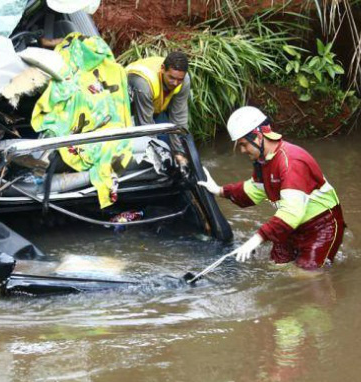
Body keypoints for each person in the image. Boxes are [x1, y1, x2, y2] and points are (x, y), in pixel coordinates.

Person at [198, 106, 345, 270]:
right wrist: (219, 190)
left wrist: (256, 239)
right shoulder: (264, 161)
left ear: (259, 136)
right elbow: (254, 190)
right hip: (293, 225)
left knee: (307, 275)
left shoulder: (291, 162)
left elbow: (291, 212)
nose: (242, 150)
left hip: (321, 226)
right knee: (276, 266)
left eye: (244, 144)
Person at [125, 51, 191, 171]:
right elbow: (145, 126)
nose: (175, 83)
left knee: (171, 147)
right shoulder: (144, 84)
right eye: (171, 78)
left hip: (155, 107)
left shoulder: (184, 80)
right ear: (162, 69)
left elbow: (179, 117)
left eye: (179, 79)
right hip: (131, 109)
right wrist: (158, 155)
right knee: (151, 150)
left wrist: (180, 153)